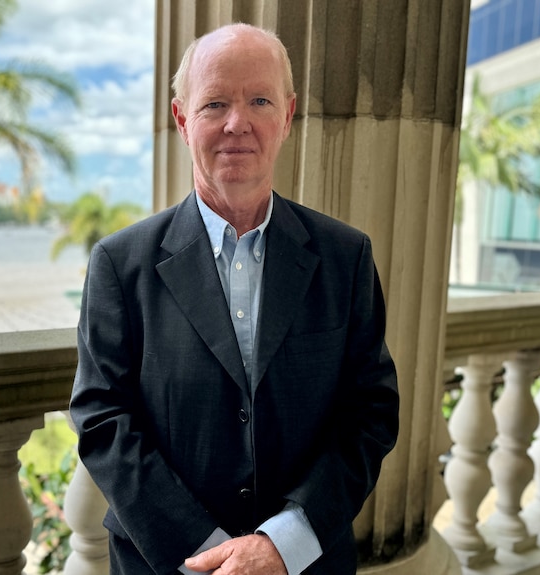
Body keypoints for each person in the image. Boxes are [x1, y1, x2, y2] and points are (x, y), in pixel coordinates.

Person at [69, 22, 399, 575]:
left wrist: (281, 543)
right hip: (167, 564)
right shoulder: (119, 264)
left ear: (287, 116)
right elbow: (102, 419)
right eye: (214, 102)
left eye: (260, 100)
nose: (237, 123)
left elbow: (370, 412)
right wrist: (208, 552)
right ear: (181, 119)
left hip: (305, 564)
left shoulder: (346, 257)